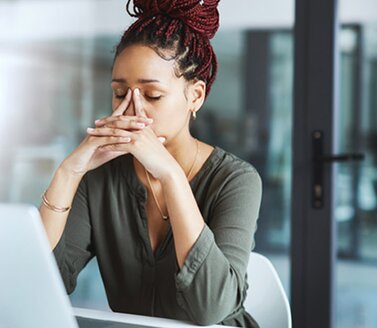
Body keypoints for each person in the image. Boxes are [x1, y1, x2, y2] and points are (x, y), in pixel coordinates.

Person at [39, 0, 262, 327]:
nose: (132, 110)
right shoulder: (100, 177)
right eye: (119, 93)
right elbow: (42, 283)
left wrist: (170, 175)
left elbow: (210, 309)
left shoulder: (236, 180)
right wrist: (69, 173)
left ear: (195, 96)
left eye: (153, 95)